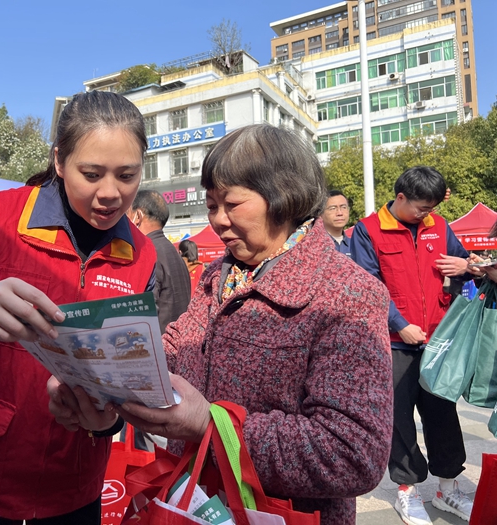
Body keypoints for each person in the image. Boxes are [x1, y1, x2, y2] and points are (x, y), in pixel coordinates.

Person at [48, 124, 394, 525]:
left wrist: (211, 426)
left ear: (284, 196)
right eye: (212, 206)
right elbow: (175, 348)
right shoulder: (220, 276)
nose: (217, 221)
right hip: (195, 504)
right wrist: (97, 374)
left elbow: (354, 453)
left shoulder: (347, 293)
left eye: (231, 204)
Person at [0, 90, 157, 524]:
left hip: (73, 480)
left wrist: (107, 421)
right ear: (59, 161)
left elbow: (132, 374)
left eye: (127, 175)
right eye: (91, 174)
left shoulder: (143, 255)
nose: (110, 193)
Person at [350, 166, 476, 525]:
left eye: (431, 208)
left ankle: (448, 488)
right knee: (400, 418)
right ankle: (407, 490)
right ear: (401, 197)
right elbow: (368, 285)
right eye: (421, 208)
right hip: (395, 344)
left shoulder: (439, 226)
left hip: (438, 341)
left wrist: (465, 265)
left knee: (443, 414)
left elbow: (465, 265)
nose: (426, 214)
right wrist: (400, 325)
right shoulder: (369, 230)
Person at [128, 189, 191, 332]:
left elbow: (147, 310)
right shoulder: (172, 251)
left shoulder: (148, 253)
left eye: (127, 215)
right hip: (179, 337)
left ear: (138, 216)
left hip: (160, 340)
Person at [321, 189, 351, 255]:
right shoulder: (314, 245)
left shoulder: (356, 245)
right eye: (333, 208)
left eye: (343, 207)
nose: (339, 213)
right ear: (320, 214)